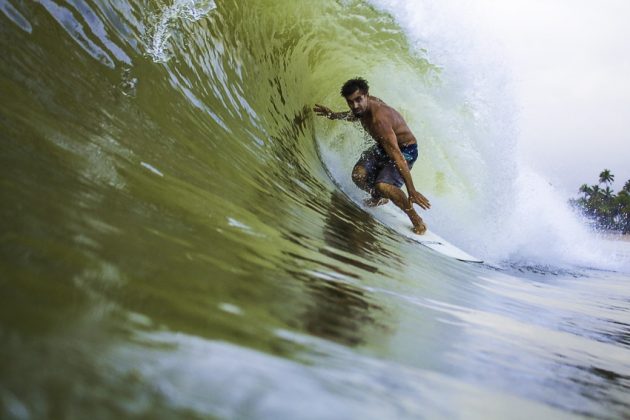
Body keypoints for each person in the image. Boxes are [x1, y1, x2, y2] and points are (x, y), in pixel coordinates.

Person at [313, 77, 431, 234]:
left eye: (358, 100)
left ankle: (416, 219)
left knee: (383, 185)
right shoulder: (363, 108)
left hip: (405, 151)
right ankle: (380, 197)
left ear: (366, 95)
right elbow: (355, 115)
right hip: (384, 146)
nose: (354, 105)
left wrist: (412, 191)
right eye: (350, 102)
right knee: (358, 175)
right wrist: (334, 115)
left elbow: (398, 157)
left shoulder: (379, 120)